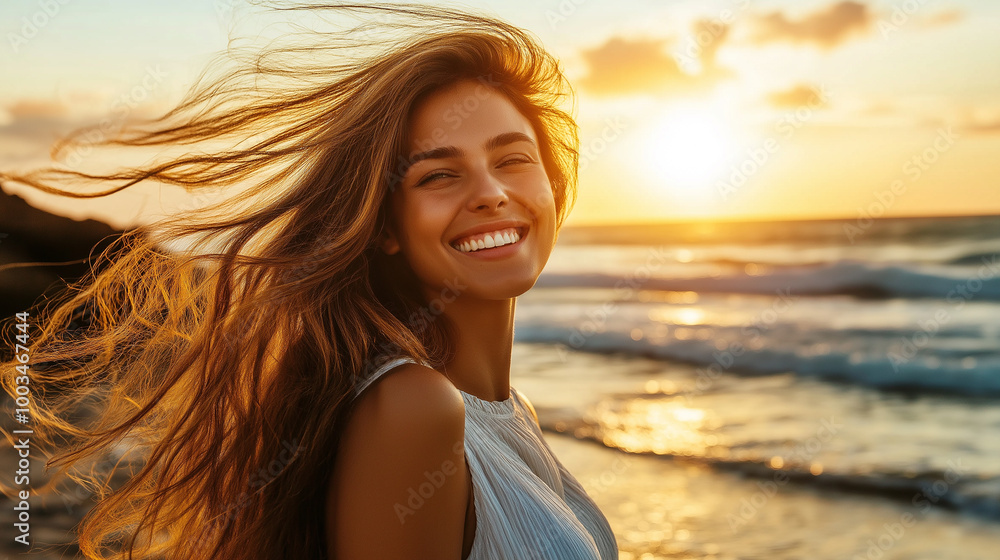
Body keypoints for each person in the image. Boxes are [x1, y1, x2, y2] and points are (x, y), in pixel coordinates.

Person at [1, 3, 618, 559]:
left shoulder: (506, 411)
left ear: (552, 185)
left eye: (513, 159)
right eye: (437, 176)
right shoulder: (415, 407)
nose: (491, 193)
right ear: (384, 226)